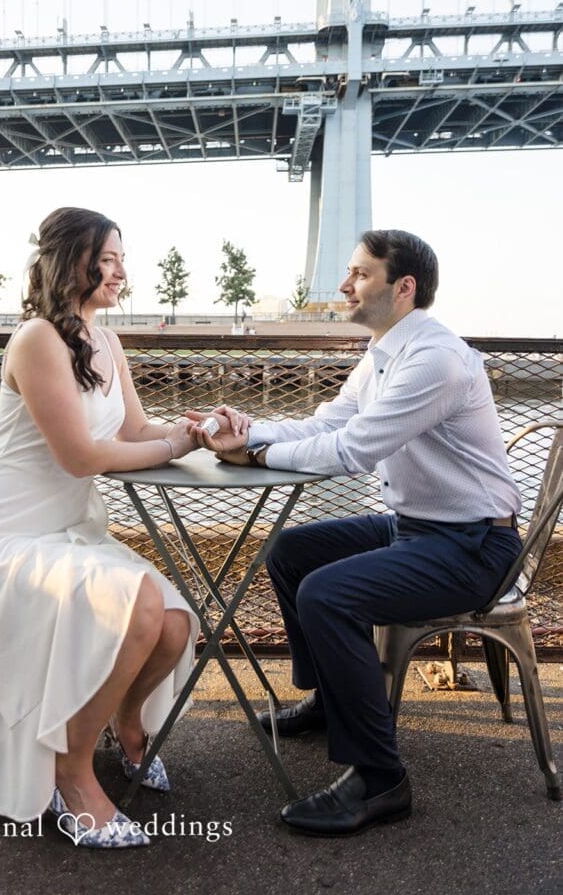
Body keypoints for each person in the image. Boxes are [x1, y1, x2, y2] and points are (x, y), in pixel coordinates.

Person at [188, 229, 521, 837]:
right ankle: (329, 700)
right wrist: (250, 430)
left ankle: (381, 778)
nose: (343, 285)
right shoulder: (384, 352)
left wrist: (255, 459)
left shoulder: (435, 359)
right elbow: (329, 422)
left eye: (360, 274)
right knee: (291, 552)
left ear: (404, 288)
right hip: (418, 527)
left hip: (474, 545)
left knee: (328, 594)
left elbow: (353, 451)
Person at [0, 207, 235, 849]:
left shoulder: (107, 341)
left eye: (123, 257)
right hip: (0, 542)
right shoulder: (36, 339)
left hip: (66, 533)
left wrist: (202, 431)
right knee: (142, 604)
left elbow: (134, 432)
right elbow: (82, 456)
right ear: (74, 260)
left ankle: (126, 723)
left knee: (177, 625)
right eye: (110, 257)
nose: (123, 269)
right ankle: (72, 775)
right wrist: (173, 447)